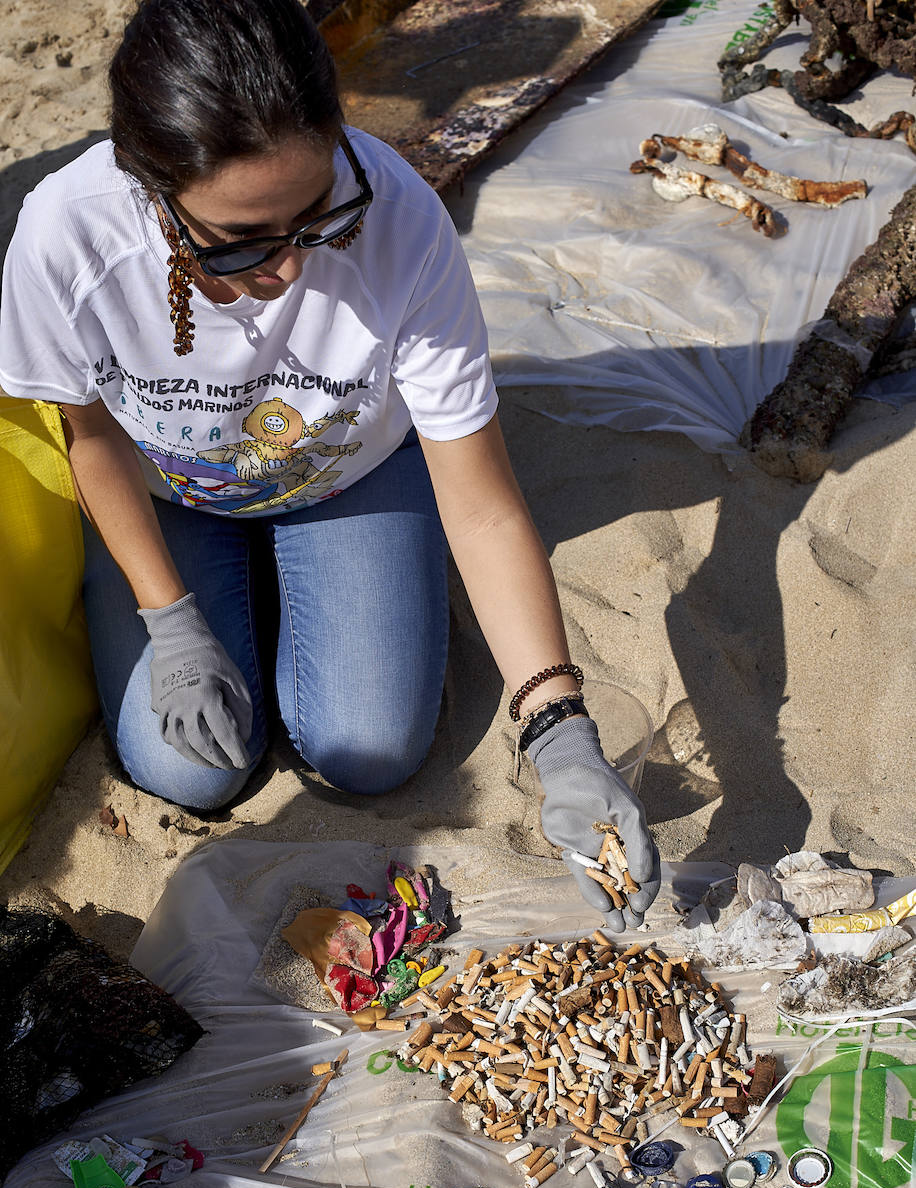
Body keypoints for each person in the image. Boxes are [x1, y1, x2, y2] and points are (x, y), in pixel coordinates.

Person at [0, 0, 659, 929]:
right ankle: (226, 605)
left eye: (318, 217)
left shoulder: (400, 219)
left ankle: (322, 583)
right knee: (188, 771)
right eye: (240, 242)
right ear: (152, 189)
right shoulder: (65, 234)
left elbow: (481, 502)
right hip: (172, 495)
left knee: (370, 751)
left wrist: (559, 731)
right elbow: (92, 435)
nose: (290, 269)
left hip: (349, 474)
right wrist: (171, 620)